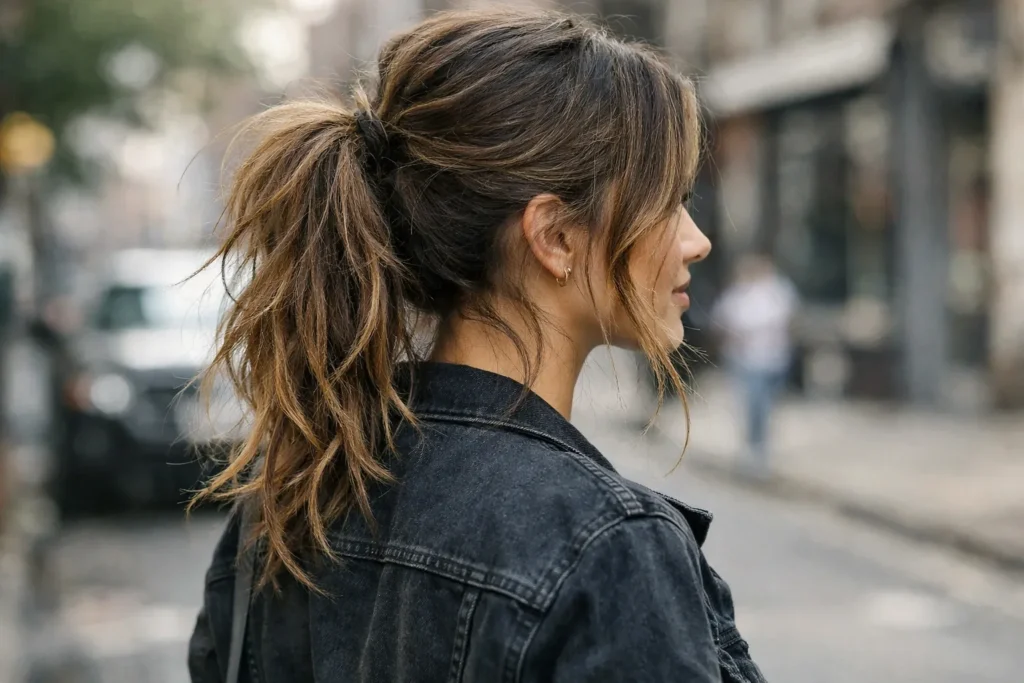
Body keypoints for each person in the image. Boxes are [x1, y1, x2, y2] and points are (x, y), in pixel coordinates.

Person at [188, 9, 766, 683]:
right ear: (554, 237)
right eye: (667, 201)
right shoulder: (605, 546)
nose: (697, 240)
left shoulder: (285, 509)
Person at [712, 253, 798, 472]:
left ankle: (761, 449)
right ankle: (754, 450)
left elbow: (790, 319)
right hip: (748, 360)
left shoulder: (778, 291)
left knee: (767, 406)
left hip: (776, 359)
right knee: (755, 406)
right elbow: (724, 323)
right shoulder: (740, 295)